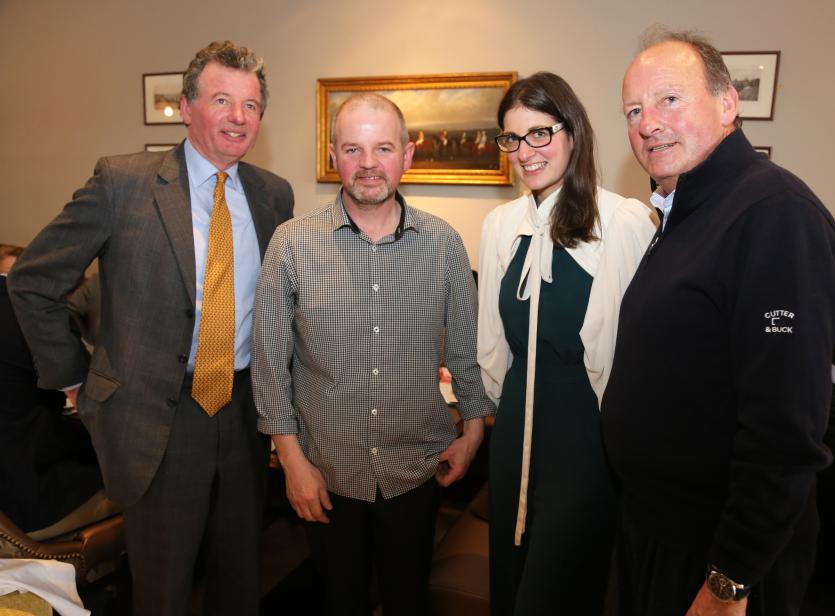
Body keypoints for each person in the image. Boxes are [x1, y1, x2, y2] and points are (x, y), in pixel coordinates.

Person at [8, 41, 294, 615]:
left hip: (244, 415)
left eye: (252, 105)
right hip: (154, 420)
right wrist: (73, 381)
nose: (239, 117)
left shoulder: (272, 194)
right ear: (187, 108)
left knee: (242, 581)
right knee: (162, 590)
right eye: (222, 100)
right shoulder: (123, 183)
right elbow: (33, 280)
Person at [602, 27, 835, 616]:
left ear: (728, 103)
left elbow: (784, 428)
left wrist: (731, 579)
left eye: (669, 100)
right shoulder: (689, 209)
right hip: (663, 534)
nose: (648, 122)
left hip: (720, 558)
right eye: (633, 109)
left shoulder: (774, 215)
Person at [252, 92, 494, 616]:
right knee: (340, 601)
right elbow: (269, 365)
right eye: (353, 149)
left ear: (407, 156)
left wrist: (473, 432)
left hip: (416, 471)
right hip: (326, 474)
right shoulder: (291, 245)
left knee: (408, 601)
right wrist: (292, 462)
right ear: (333, 155)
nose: (368, 165)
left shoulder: (443, 244)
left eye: (383, 148)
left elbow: (466, 350)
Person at [478, 72, 656, 615]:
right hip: (512, 437)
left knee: (556, 592)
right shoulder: (500, 225)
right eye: (512, 139)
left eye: (540, 133)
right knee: (510, 586)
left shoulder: (623, 221)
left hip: (584, 440)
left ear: (572, 132)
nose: (525, 152)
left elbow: (635, 361)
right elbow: (493, 346)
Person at [1, 245, 115, 539]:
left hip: (15, 480)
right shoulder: (34, 317)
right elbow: (95, 401)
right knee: (144, 485)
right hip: (26, 502)